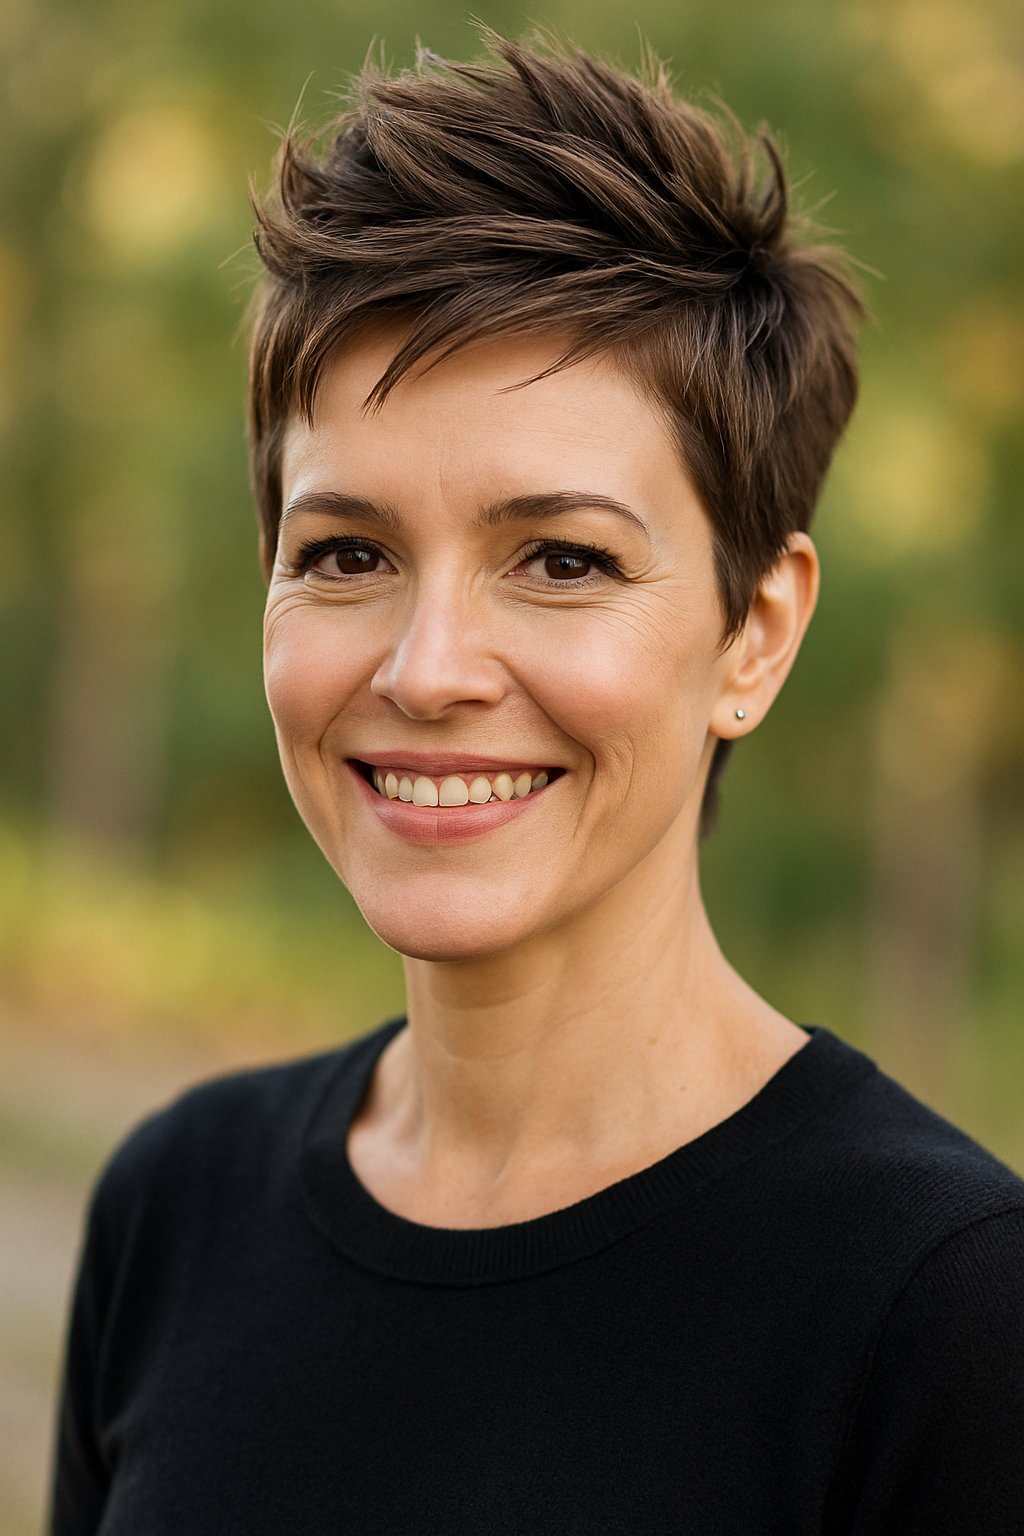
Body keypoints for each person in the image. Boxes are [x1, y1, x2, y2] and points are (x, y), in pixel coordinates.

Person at [50, 33, 1024, 1535]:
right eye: (348, 555)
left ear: (753, 634)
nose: (429, 668)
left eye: (561, 559)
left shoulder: (948, 1311)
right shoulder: (174, 1207)